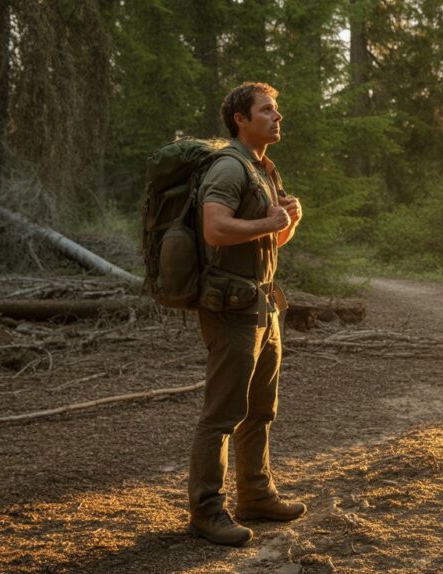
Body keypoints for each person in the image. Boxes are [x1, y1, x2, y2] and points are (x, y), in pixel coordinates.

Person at [187, 82, 305, 546]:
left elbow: (266, 241)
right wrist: (267, 221)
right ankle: (206, 511)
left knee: (260, 410)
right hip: (231, 308)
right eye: (268, 110)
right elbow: (215, 230)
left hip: (262, 303)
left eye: (277, 110)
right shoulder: (229, 167)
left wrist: (286, 223)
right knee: (222, 414)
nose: (277, 117)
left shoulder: (262, 169)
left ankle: (255, 495)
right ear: (241, 118)